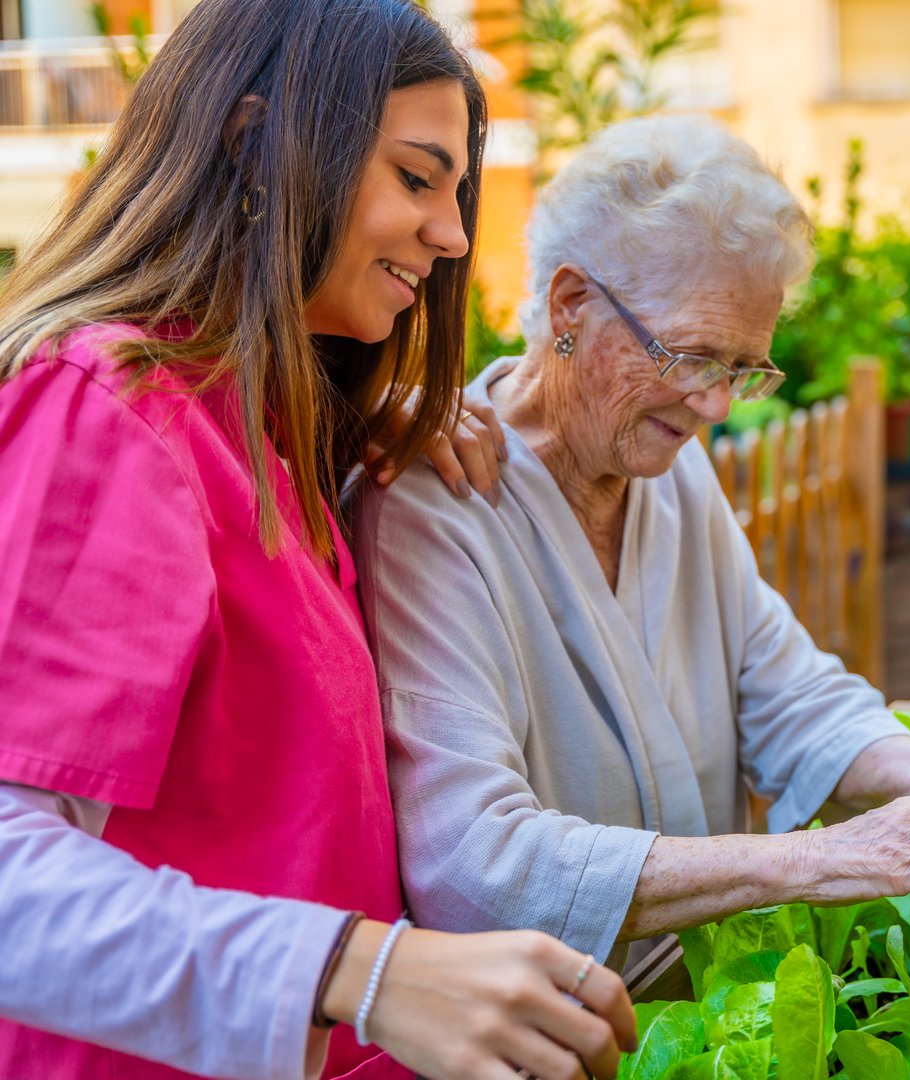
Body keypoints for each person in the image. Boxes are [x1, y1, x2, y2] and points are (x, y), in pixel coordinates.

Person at [0, 1, 634, 1077]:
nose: (453, 236)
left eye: (457, 191)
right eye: (416, 178)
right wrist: (367, 972)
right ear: (257, 149)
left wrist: (365, 426)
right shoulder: (107, 408)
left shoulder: (263, 429)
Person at [354, 114, 910, 966]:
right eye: (694, 356)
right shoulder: (429, 504)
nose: (718, 408)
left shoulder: (669, 470)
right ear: (571, 305)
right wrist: (816, 859)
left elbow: (780, 687)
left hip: (697, 1010)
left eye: (746, 369)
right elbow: (473, 864)